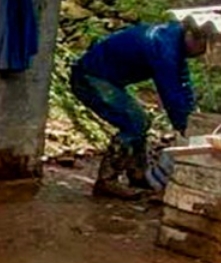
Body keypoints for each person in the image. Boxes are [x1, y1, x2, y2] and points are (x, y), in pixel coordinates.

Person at [70, 21, 207, 199]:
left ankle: (138, 173)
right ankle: (107, 181)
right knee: (134, 121)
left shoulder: (173, 39)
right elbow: (170, 92)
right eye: (202, 48)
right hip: (89, 76)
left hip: (104, 77)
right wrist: (184, 126)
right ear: (194, 38)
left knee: (139, 121)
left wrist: (192, 114)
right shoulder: (164, 46)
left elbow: (182, 82)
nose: (200, 55)